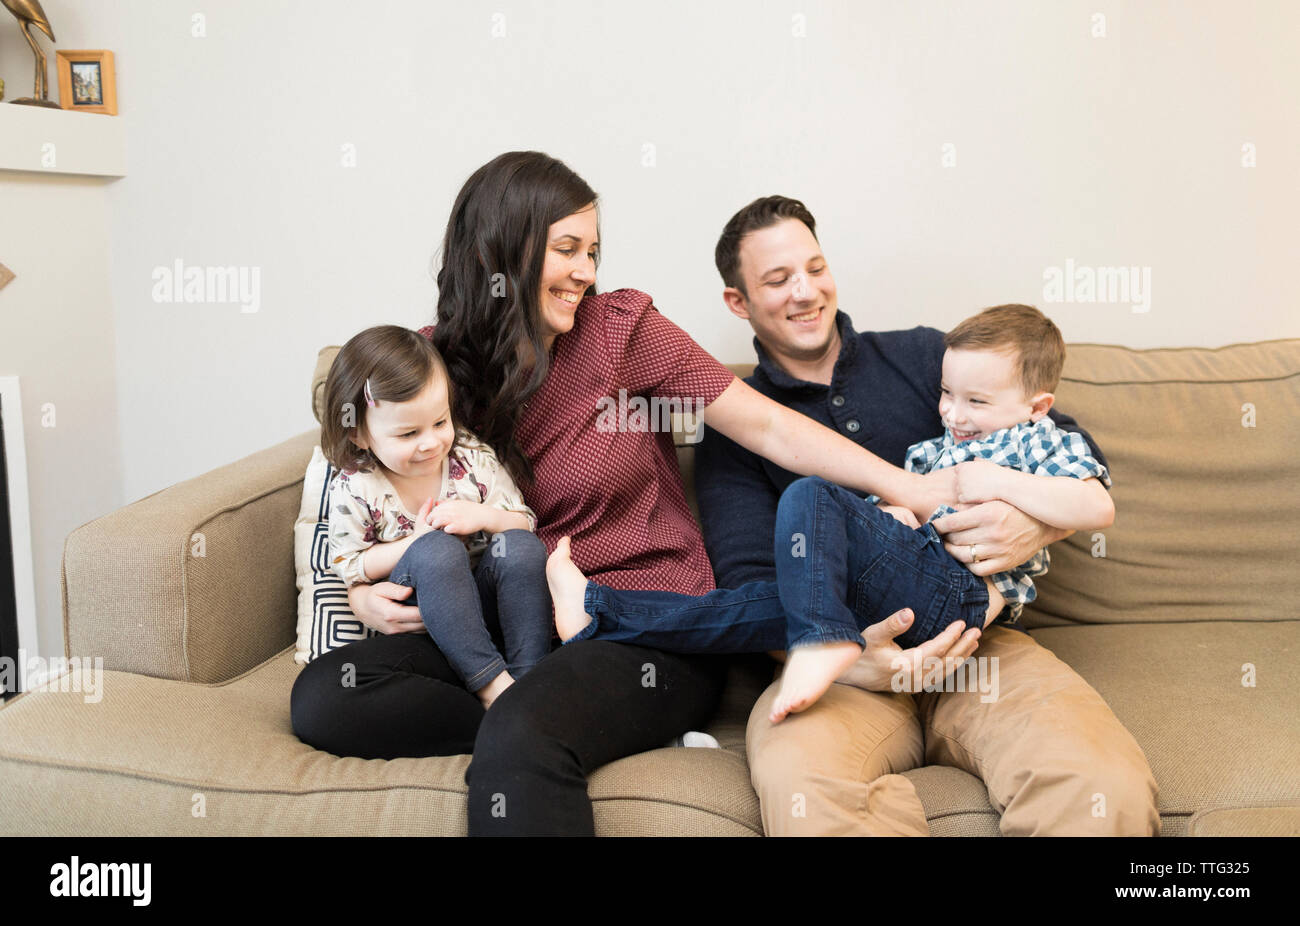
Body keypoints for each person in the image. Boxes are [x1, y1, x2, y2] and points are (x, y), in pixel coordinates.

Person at [289, 151, 986, 834]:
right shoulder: (432, 369)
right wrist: (357, 590)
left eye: (593, 250)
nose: (586, 273)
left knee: (523, 738)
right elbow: (366, 474)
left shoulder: (620, 330)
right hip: (512, 627)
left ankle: (526, 720)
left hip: (648, 624)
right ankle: (517, 707)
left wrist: (914, 489)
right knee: (326, 699)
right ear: (495, 254)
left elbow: (769, 426)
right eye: (567, 249)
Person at [695, 195, 1160, 835]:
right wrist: (853, 659)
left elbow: (1061, 442)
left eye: (815, 267)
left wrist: (1034, 524)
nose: (806, 291)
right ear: (738, 303)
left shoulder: (921, 355)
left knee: (1098, 785)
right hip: (844, 671)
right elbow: (746, 578)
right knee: (805, 792)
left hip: (978, 644)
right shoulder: (737, 421)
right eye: (777, 281)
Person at [543, 303, 1115, 724]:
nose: (952, 413)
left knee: (811, 493)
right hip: (880, 600)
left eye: (975, 402)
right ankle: (598, 609)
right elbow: (872, 524)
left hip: (957, 605)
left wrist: (1004, 490)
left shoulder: (1033, 437)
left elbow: (1096, 504)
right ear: (738, 300)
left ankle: (821, 639)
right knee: (745, 608)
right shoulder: (937, 446)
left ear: (1038, 407)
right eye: (945, 394)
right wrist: (893, 512)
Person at [319, 325, 549, 709]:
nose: (431, 443)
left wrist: (482, 516)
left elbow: (524, 521)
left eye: (440, 423)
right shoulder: (357, 487)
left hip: (486, 604)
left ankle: (529, 680)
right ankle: (491, 687)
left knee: (521, 547)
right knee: (436, 551)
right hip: (423, 616)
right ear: (360, 435)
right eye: (408, 434)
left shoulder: (470, 458)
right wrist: (417, 541)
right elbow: (350, 565)